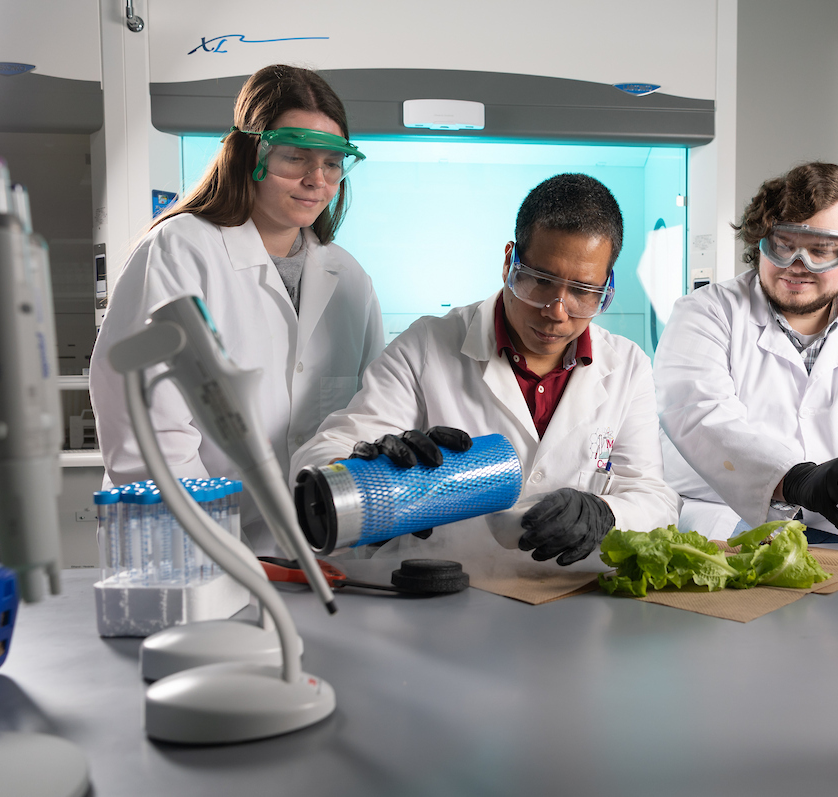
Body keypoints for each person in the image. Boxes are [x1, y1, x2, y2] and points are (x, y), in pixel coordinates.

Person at [290, 173, 678, 566]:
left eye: (582, 291)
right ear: (510, 260)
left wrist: (608, 514)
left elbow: (654, 497)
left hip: (571, 600)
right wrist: (368, 464)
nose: (557, 313)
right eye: (541, 282)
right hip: (443, 599)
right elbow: (325, 455)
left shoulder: (628, 366)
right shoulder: (425, 347)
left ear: (605, 288)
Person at [89, 64, 384, 553]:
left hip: (318, 551)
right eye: (295, 156)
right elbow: (147, 429)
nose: (317, 180)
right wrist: (222, 549)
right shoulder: (180, 249)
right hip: (189, 548)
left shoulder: (347, 277)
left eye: (332, 163)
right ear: (250, 152)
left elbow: (370, 414)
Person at [653, 162, 838, 552]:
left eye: (821, 250)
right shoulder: (705, 313)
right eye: (783, 244)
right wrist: (793, 478)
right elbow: (699, 413)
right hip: (719, 523)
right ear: (761, 239)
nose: (797, 265)